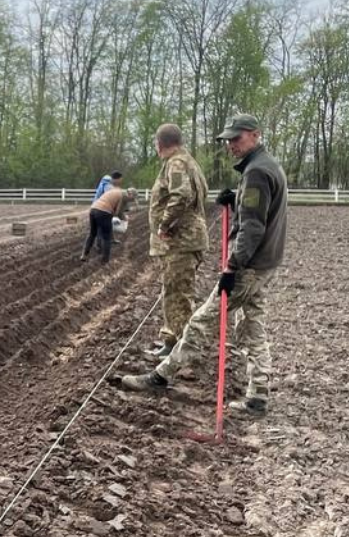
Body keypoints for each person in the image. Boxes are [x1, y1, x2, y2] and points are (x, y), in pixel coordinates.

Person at [122, 113, 288, 417]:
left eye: (236, 139)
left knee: (201, 320)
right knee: (253, 324)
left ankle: (161, 376)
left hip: (249, 265)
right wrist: (236, 198)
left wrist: (232, 267)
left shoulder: (256, 173)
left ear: (255, 135)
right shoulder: (266, 166)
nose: (230, 145)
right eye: (227, 140)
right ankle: (258, 395)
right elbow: (260, 206)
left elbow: (252, 227)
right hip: (266, 262)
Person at [148, 123, 209, 354]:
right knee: (173, 290)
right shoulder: (188, 161)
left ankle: (183, 350)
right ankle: (171, 340)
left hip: (181, 241)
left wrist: (165, 224)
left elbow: (181, 195)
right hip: (183, 241)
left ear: (160, 143)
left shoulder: (176, 163)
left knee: (178, 294)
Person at [82, 180, 134, 265]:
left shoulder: (116, 191)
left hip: (93, 209)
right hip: (103, 212)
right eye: (132, 199)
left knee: (92, 233)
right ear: (130, 195)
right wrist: (125, 219)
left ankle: (84, 254)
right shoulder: (123, 196)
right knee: (107, 237)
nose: (131, 201)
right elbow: (118, 212)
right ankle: (105, 260)